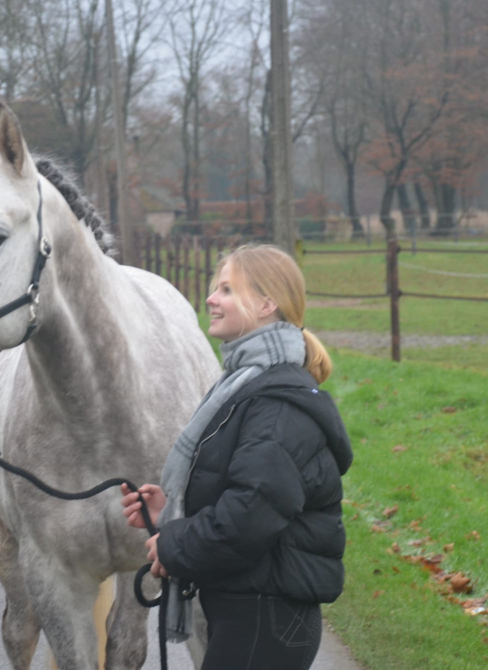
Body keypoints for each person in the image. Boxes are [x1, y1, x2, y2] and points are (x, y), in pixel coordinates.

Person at [120, 244, 352, 670]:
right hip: (250, 613)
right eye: (216, 288)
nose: (211, 299)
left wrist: (174, 543)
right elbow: (243, 491)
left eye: (226, 289)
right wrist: (172, 511)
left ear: (267, 304)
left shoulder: (277, 404)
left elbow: (248, 517)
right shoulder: (246, 385)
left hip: (265, 620)